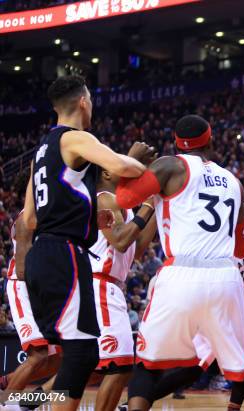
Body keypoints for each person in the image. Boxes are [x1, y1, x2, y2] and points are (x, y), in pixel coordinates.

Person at [116, 114, 244, 411]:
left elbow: (124, 199)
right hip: (226, 279)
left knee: (148, 367)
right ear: (211, 140)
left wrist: (132, 167)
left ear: (177, 143)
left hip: (181, 274)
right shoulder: (233, 181)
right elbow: (241, 247)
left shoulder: (169, 165)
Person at [22, 75, 147, 411]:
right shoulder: (75, 138)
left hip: (42, 254)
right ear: (83, 101)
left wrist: (85, 215)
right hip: (65, 254)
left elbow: (30, 219)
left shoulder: (40, 152)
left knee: (78, 354)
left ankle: (22, 401)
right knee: (81, 354)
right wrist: (146, 172)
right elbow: (122, 165)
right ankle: (17, 399)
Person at [87, 167, 158, 411]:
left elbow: (136, 249)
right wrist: (148, 205)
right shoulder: (104, 199)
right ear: (106, 174)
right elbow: (120, 240)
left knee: (89, 371)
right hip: (100, 285)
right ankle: (19, 402)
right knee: (120, 365)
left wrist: (156, 206)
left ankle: (23, 402)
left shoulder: (122, 208)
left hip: (109, 287)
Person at [0, 212, 62, 406]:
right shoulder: (28, 216)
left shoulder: (57, 210)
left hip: (44, 292)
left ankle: (26, 401)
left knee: (60, 360)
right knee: (38, 355)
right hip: (24, 287)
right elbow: (23, 268)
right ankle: (6, 405)